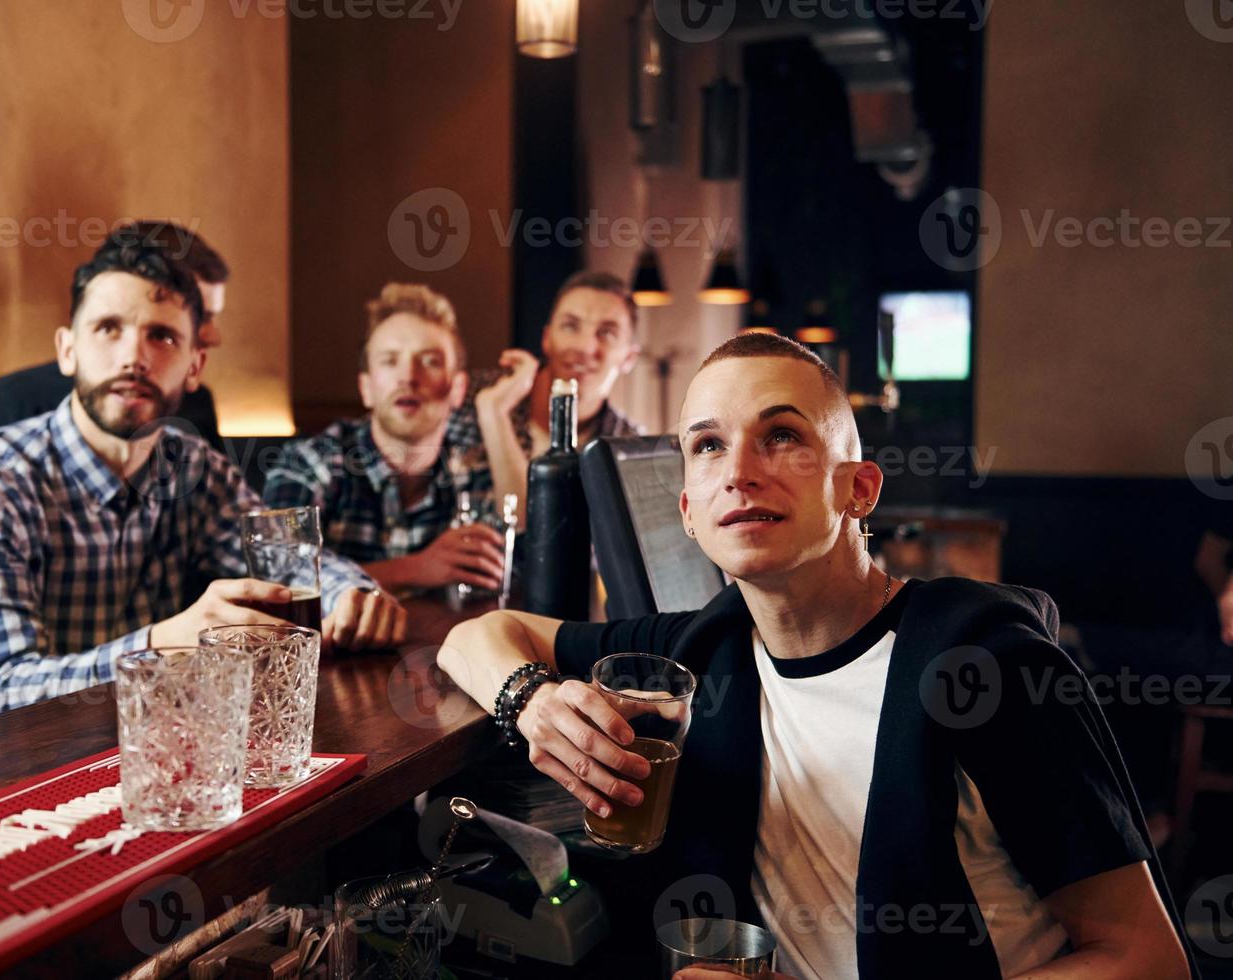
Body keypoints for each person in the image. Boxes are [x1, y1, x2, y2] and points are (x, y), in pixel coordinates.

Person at [437, 333, 1194, 978]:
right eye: (708, 445)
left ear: (859, 489)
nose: (739, 469)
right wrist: (531, 702)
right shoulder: (704, 646)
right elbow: (473, 637)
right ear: (690, 514)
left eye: (783, 435)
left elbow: (1146, 960)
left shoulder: (988, 671)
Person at [0, 241, 405, 745]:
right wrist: (166, 644)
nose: (134, 356)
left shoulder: (190, 464)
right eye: (108, 328)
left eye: (163, 336)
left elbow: (284, 562)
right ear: (68, 350)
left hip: (118, 759)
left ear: (195, 365)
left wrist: (352, 597)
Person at [261, 284, 506, 595]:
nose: (408, 376)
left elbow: (526, 562)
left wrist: (495, 412)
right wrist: (417, 568)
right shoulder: (313, 462)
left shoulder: (475, 467)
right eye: (390, 361)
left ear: (457, 388)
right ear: (366, 388)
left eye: (430, 361)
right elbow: (275, 573)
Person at [0, 220, 224, 443]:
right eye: (201, 314)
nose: (214, 336)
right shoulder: (8, 403)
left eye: (161, 334)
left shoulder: (197, 411)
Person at [453, 271, 642, 517]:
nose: (584, 347)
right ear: (547, 339)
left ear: (629, 358)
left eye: (607, 333)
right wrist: (494, 412)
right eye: (570, 326)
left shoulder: (629, 448)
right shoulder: (471, 396)